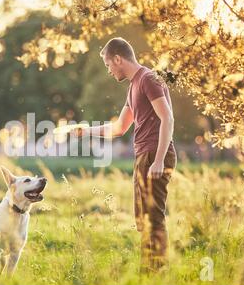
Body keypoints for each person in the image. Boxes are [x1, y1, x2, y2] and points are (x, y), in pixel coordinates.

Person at [72, 37, 177, 272]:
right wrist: (85, 131)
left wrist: (159, 159)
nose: (108, 70)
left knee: (154, 218)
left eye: (109, 64)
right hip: (144, 156)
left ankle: (157, 274)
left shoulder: (149, 79)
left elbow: (167, 118)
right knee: (144, 219)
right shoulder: (134, 87)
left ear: (118, 59)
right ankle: (148, 271)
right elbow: (118, 128)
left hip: (154, 154)